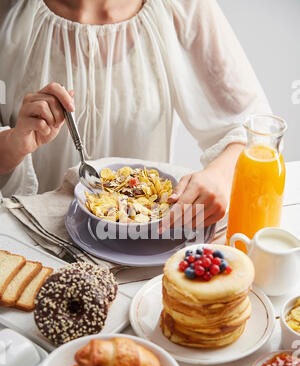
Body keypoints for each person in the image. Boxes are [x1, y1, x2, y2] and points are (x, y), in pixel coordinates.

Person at [0, 0, 270, 228]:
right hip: (27, 238)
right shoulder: (10, 12)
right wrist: (13, 144)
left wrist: (220, 175)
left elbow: (258, 129)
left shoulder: (182, 6)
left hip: (143, 245)